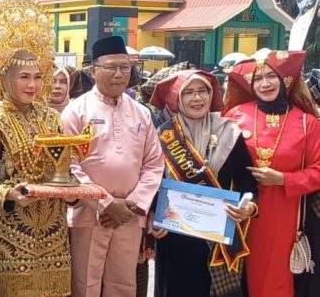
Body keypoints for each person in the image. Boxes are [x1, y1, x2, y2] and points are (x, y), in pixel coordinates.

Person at [0, 0, 73, 296]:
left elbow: (60, 169)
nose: (33, 85)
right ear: (5, 78)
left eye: (38, 77)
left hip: (53, 236)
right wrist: (9, 193)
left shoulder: (53, 118)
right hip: (6, 240)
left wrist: (75, 189)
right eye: (24, 76)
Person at [62, 36, 164, 297]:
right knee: (85, 285)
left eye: (125, 67)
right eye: (111, 67)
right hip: (89, 215)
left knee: (123, 285)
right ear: (93, 70)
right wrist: (106, 202)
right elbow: (68, 165)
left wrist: (134, 203)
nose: (119, 74)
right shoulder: (76, 110)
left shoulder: (141, 112)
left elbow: (154, 162)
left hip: (129, 215)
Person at [149, 70, 258, 296]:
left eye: (202, 91)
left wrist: (248, 207)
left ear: (211, 95)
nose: (197, 98)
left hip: (219, 237)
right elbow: (152, 182)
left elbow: (248, 183)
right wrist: (153, 217)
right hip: (176, 237)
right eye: (188, 92)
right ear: (177, 98)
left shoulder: (230, 132)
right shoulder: (163, 135)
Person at [222, 50, 320, 297]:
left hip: (282, 215)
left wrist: (284, 179)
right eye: (258, 79)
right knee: (230, 280)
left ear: (285, 79)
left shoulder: (308, 122)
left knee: (273, 280)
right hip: (235, 211)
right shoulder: (235, 115)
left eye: (271, 76)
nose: (264, 83)